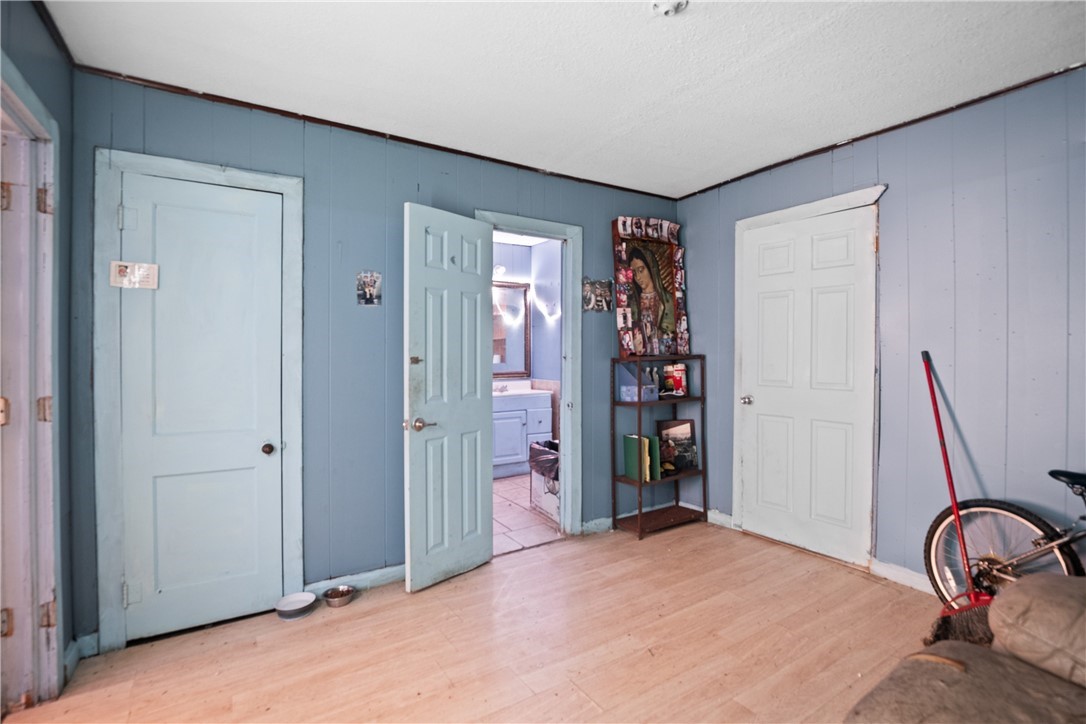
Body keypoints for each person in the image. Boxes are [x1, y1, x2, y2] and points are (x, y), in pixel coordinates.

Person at [628, 245, 675, 348]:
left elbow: (673, 333)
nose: (638, 277)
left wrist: (658, 334)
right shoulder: (631, 303)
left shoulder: (668, 301)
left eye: (641, 270)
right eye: (634, 273)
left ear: (651, 268)